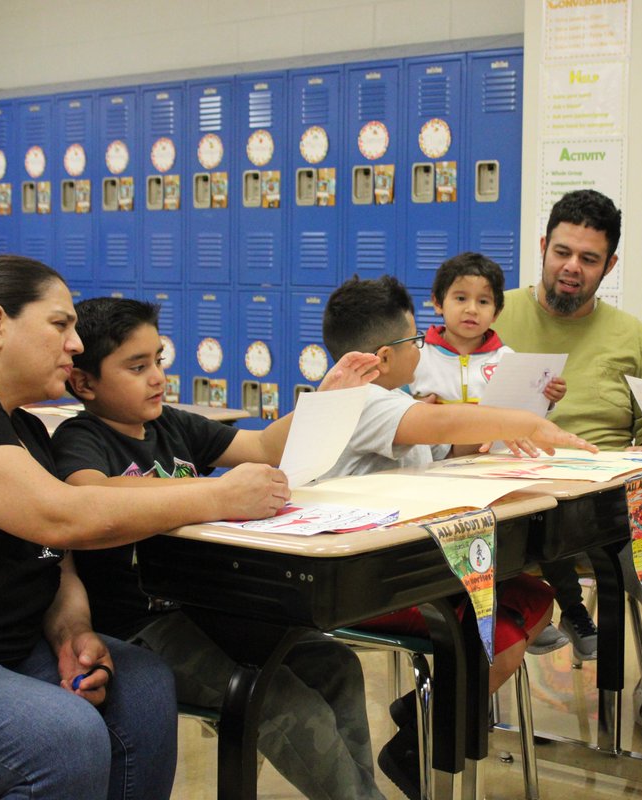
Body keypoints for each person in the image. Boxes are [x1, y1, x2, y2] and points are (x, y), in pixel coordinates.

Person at [0, 243, 291, 799]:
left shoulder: (26, 431)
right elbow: (59, 517)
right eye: (60, 324)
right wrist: (219, 494)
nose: (76, 345)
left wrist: (72, 632)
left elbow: (53, 565)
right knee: (64, 737)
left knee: (145, 684)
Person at [50, 296, 389, 800]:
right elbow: (87, 492)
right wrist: (214, 496)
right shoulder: (82, 437)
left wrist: (327, 399)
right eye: (136, 367)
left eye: (158, 360)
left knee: (335, 665)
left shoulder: (172, 425)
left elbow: (262, 447)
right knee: (286, 705)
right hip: (140, 627)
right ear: (84, 384)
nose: (157, 378)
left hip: (207, 609)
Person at [321, 273, 596, 799]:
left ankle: (424, 718)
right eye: (415, 342)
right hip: (372, 580)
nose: (422, 350)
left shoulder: (391, 400)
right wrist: (523, 424)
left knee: (531, 600)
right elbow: (442, 427)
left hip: (407, 563)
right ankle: (421, 742)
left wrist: (493, 435)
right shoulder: (366, 402)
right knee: (504, 627)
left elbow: (446, 447)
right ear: (384, 355)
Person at [491, 189, 642, 754]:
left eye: (589, 259)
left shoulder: (629, 335)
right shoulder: (491, 315)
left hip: (608, 511)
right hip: (509, 504)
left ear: (609, 266)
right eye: (562, 252)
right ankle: (475, 681)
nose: (572, 267)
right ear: (542, 248)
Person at [409, 251, 565, 408]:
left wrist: (547, 399)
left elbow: (522, 413)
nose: (472, 309)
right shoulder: (415, 355)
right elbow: (389, 402)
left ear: (496, 313)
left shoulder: (507, 360)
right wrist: (409, 407)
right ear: (437, 303)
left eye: (483, 301)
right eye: (461, 298)